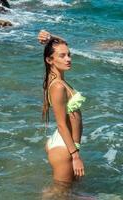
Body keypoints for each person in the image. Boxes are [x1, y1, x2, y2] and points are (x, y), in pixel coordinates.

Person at [38, 30, 86, 186]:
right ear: (50, 60)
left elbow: (64, 43)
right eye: (62, 56)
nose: (68, 59)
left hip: (62, 142)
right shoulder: (58, 86)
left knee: (66, 192)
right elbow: (61, 124)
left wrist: (52, 38)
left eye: (69, 55)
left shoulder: (59, 80)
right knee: (60, 194)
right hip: (64, 148)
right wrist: (75, 155)